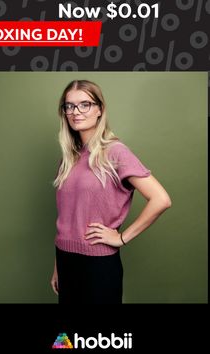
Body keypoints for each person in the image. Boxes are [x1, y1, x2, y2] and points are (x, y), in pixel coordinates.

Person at [51, 79, 172, 304]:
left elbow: (161, 199)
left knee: (99, 339)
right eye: (69, 106)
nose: (76, 112)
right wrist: (58, 267)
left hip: (98, 265)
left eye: (84, 104)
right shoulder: (68, 160)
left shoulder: (115, 153)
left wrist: (122, 238)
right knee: (67, 340)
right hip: (65, 260)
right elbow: (66, 217)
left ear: (99, 109)